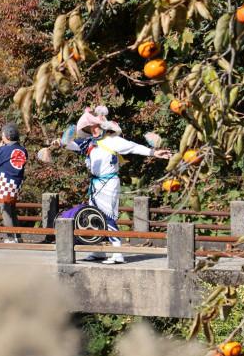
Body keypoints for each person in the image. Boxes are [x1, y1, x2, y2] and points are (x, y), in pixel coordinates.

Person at [63, 107, 172, 263]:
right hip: (95, 183)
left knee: (108, 215)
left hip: (109, 182)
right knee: (94, 215)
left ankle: (117, 251)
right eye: (90, 128)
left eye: (95, 127)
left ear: (103, 127)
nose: (93, 131)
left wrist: (153, 153)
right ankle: (99, 250)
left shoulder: (113, 141)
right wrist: (60, 143)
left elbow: (133, 147)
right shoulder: (90, 143)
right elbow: (72, 145)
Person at [0, 124, 29, 243]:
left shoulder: (4, 149)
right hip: (16, 183)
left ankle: (10, 237)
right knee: (12, 208)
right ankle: (18, 236)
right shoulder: (23, 150)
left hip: (4, 181)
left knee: (5, 209)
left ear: (6, 136)